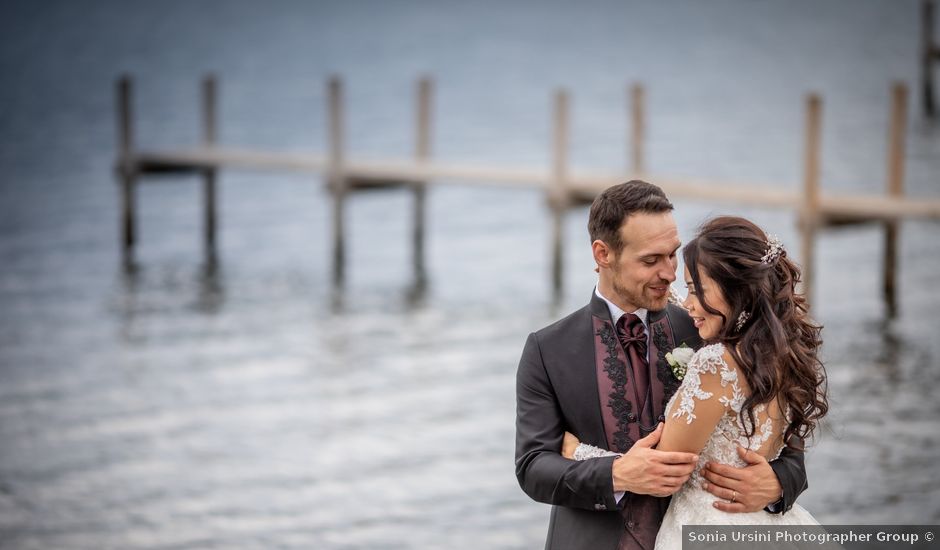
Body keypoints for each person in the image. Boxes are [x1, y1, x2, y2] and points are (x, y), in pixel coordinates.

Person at [515, 181, 810, 550]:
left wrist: (779, 482)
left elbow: (779, 421)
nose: (671, 273)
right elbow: (532, 466)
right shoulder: (548, 348)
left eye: (672, 254)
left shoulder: (709, 323)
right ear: (603, 254)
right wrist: (615, 474)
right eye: (651, 260)